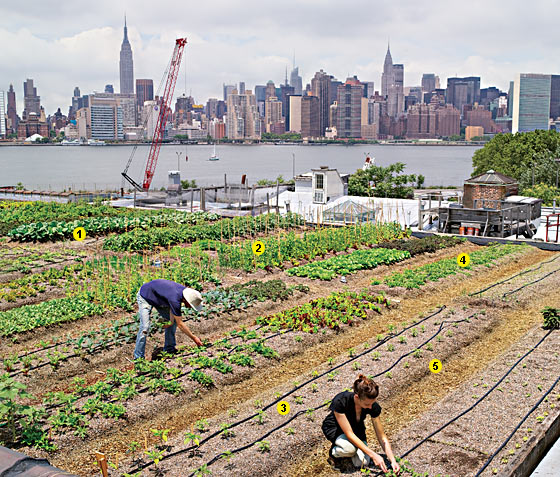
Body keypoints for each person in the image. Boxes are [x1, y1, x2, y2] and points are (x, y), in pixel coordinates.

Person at [321, 374, 400, 473]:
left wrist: (392, 460)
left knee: (363, 462)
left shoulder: (372, 406)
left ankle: (348, 453)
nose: (371, 407)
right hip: (335, 427)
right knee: (349, 449)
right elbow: (349, 434)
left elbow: (381, 436)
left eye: (372, 403)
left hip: (356, 428)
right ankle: (334, 455)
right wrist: (373, 455)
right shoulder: (341, 401)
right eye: (367, 404)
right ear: (357, 397)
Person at [133, 279, 204, 360]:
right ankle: (138, 359)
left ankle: (169, 350)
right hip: (145, 296)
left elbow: (171, 308)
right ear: (187, 301)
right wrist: (194, 338)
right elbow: (180, 324)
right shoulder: (175, 298)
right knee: (145, 328)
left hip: (159, 298)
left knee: (173, 322)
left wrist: (170, 321)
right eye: (191, 305)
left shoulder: (181, 294)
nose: (191, 307)